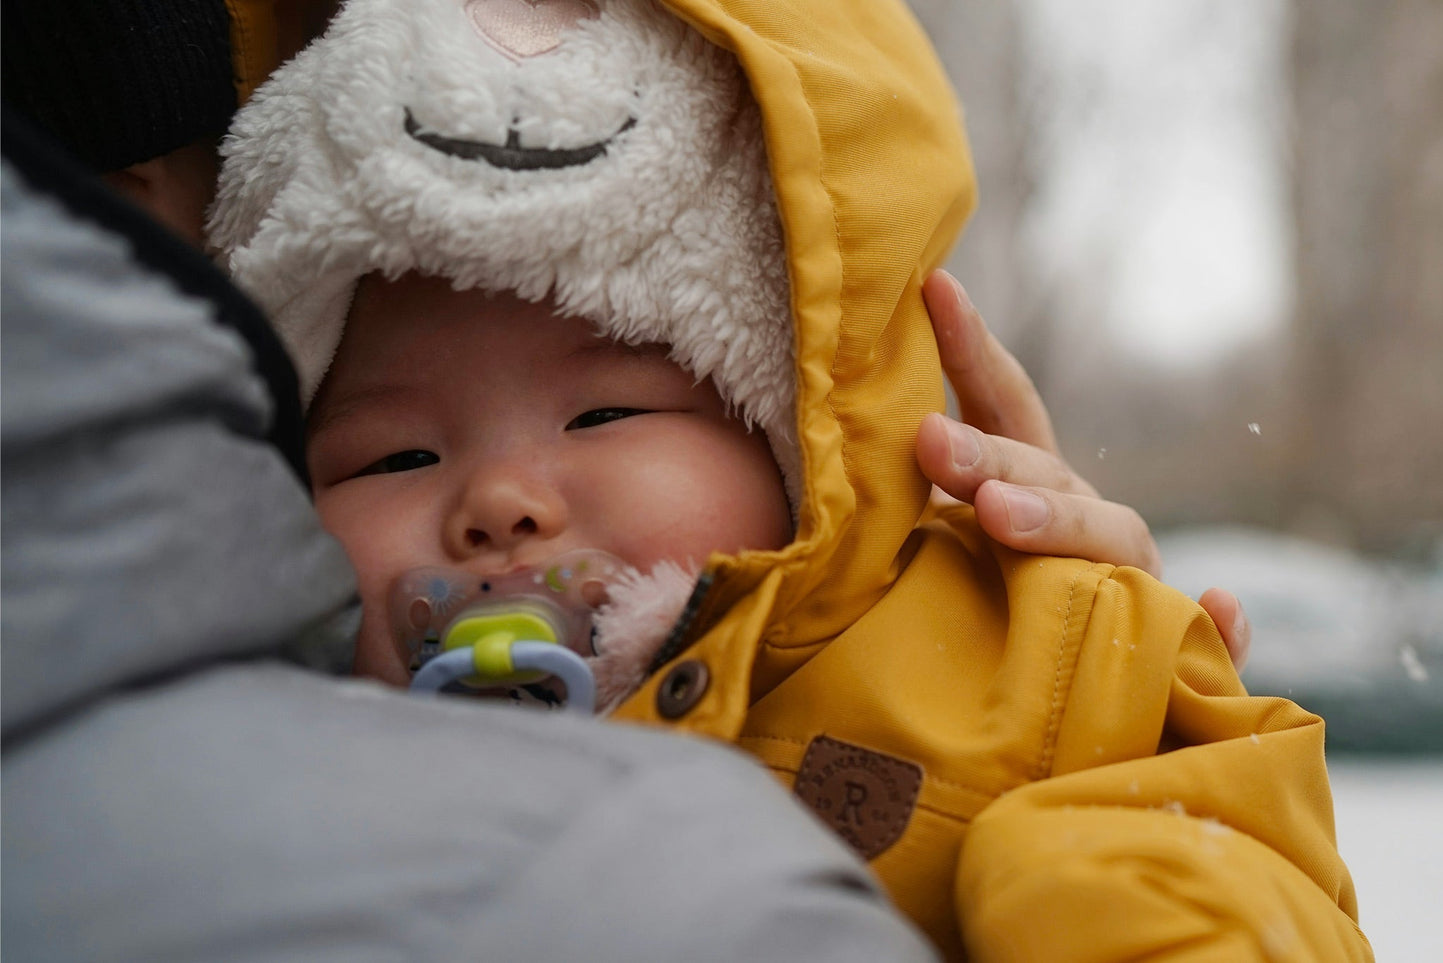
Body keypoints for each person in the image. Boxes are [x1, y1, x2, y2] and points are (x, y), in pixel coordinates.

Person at [0, 3, 1246, 962]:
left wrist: (1098, 685)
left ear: (798, 442)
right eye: (390, 456)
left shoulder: (1017, 685)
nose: (497, 501)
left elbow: (1208, 903)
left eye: (602, 412)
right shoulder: (242, 749)